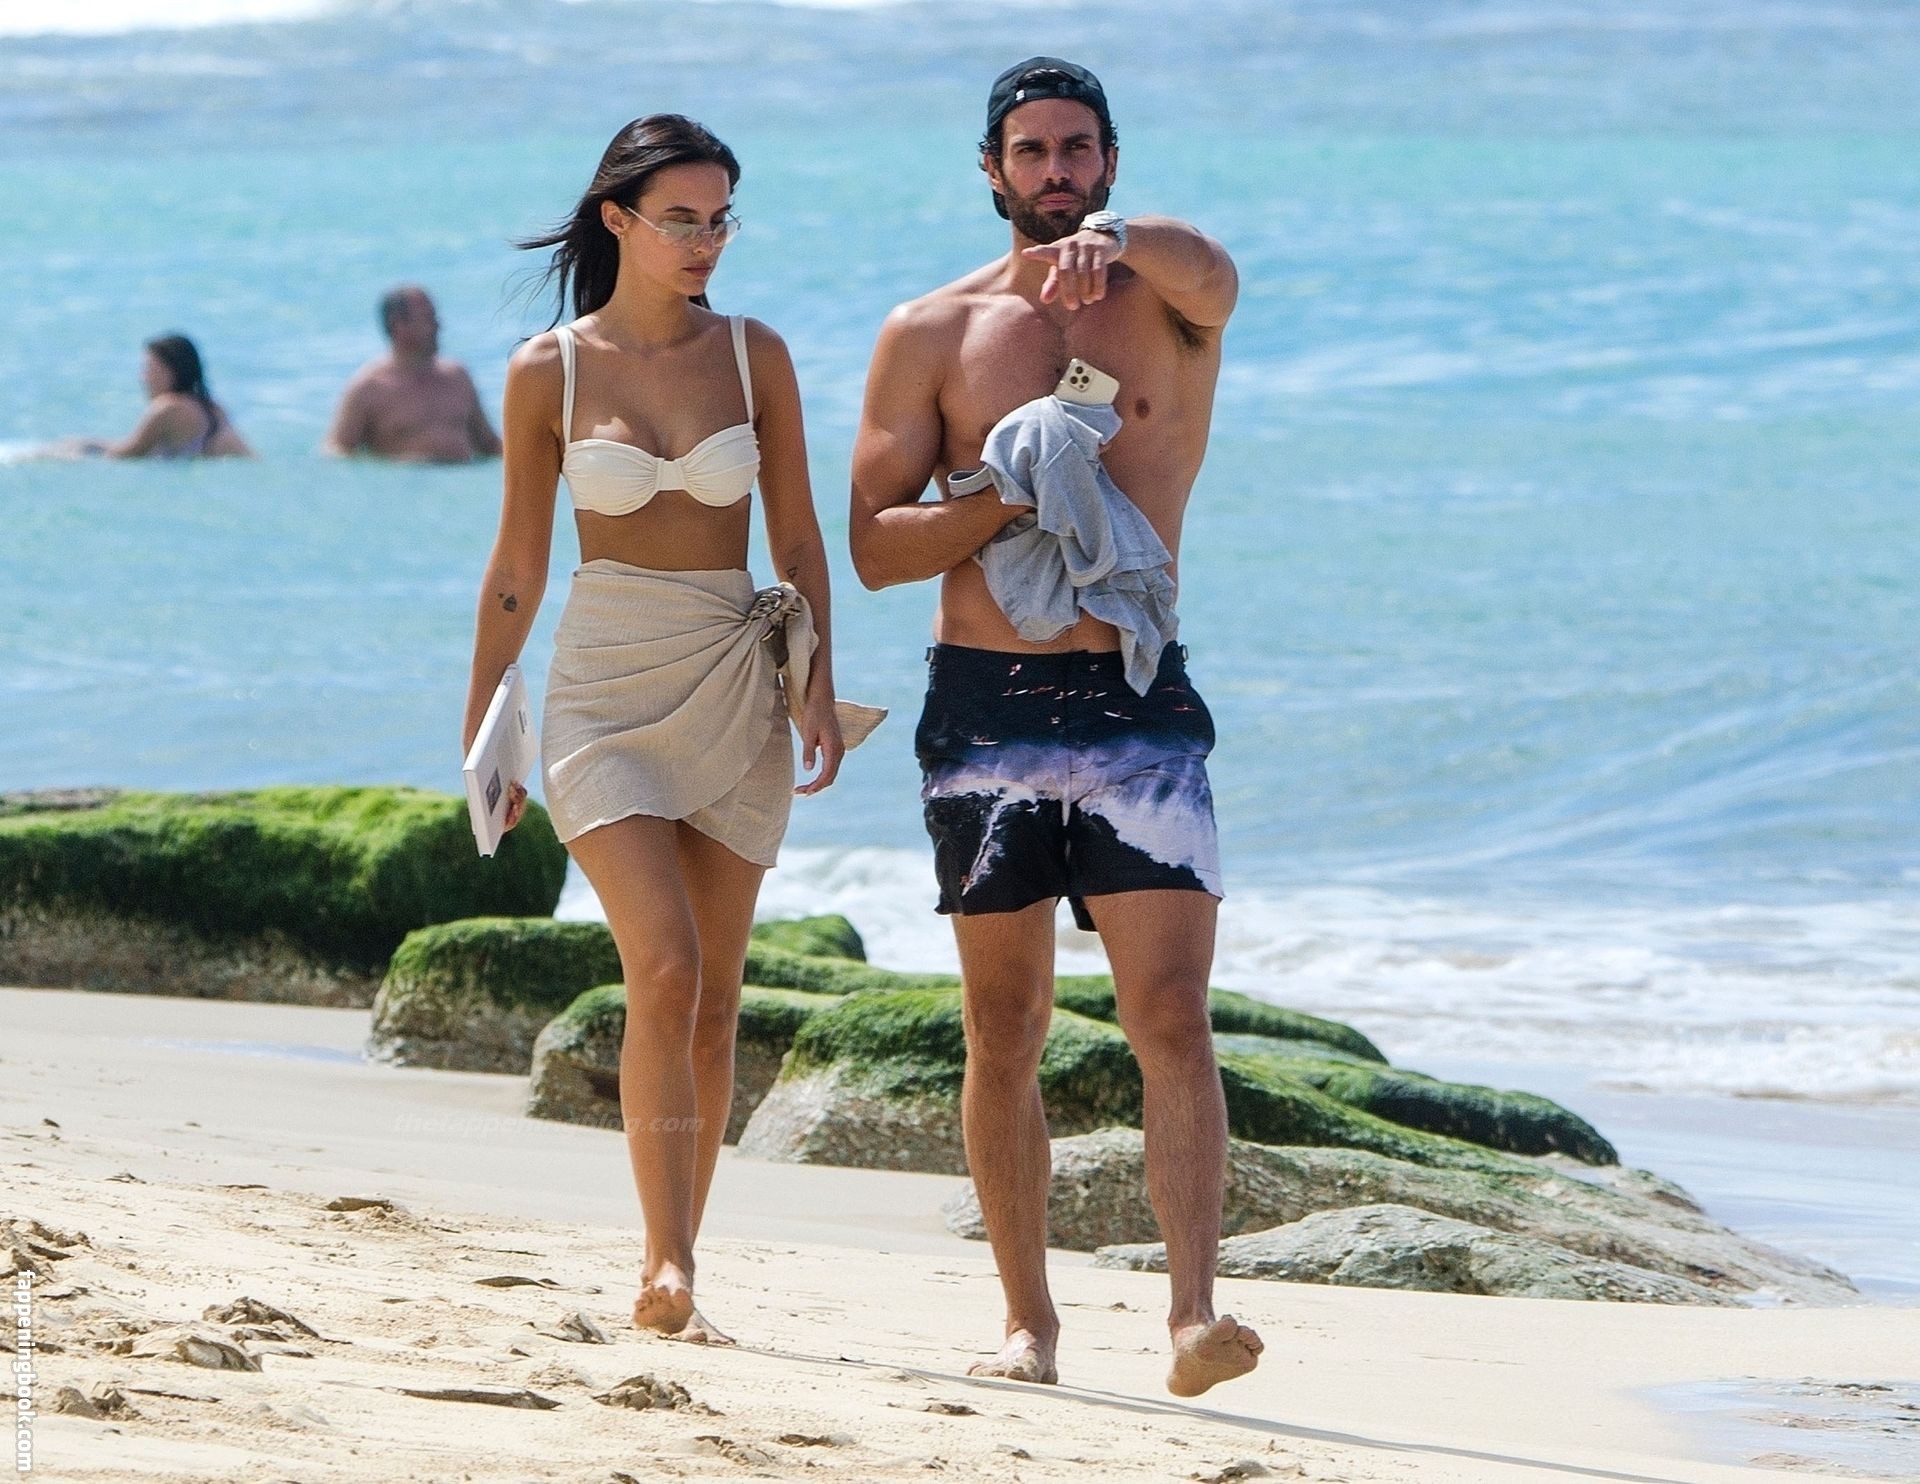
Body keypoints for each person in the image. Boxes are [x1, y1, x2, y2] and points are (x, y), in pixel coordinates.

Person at [849, 57, 1261, 1397]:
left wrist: (1121, 242)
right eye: (1030, 152)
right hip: (987, 709)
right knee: (1005, 1023)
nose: (1056, 173)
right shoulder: (931, 331)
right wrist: (1005, 491)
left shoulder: (1170, 303)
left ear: (1111, 161)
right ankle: (1028, 1324)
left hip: (1136, 698)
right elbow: (874, 547)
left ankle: (1193, 1315)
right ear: (991, 171)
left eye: (1077, 149)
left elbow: (1218, 272)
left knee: (1170, 1012)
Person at [464, 114, 851, 1346]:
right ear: (618, 219)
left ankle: (679, 1260)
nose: (706, 241)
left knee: (719, 998)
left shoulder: (754, 354)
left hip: (735, 668)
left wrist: (818, 683)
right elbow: (518, 563)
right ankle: (665, 1258)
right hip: (604, 686)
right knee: (667, 966)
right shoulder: (549, 370)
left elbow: (798, 536)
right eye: (682, 218)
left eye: (721, 219)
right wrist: (484, 725)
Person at [326, 285, 502, 462]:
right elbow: (337, 450)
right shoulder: (369, 388)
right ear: (399, 325)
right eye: (428, 318)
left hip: (461, 475)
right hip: (407, 477)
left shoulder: (457, 377)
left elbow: (490, 444)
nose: (438, 326)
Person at [46, 333, 251, 459]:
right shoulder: (212, 407)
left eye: (149, 369)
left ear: (171, 371)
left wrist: (74, 453)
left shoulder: (168, 408)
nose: (143, 378)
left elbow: (125, 455)